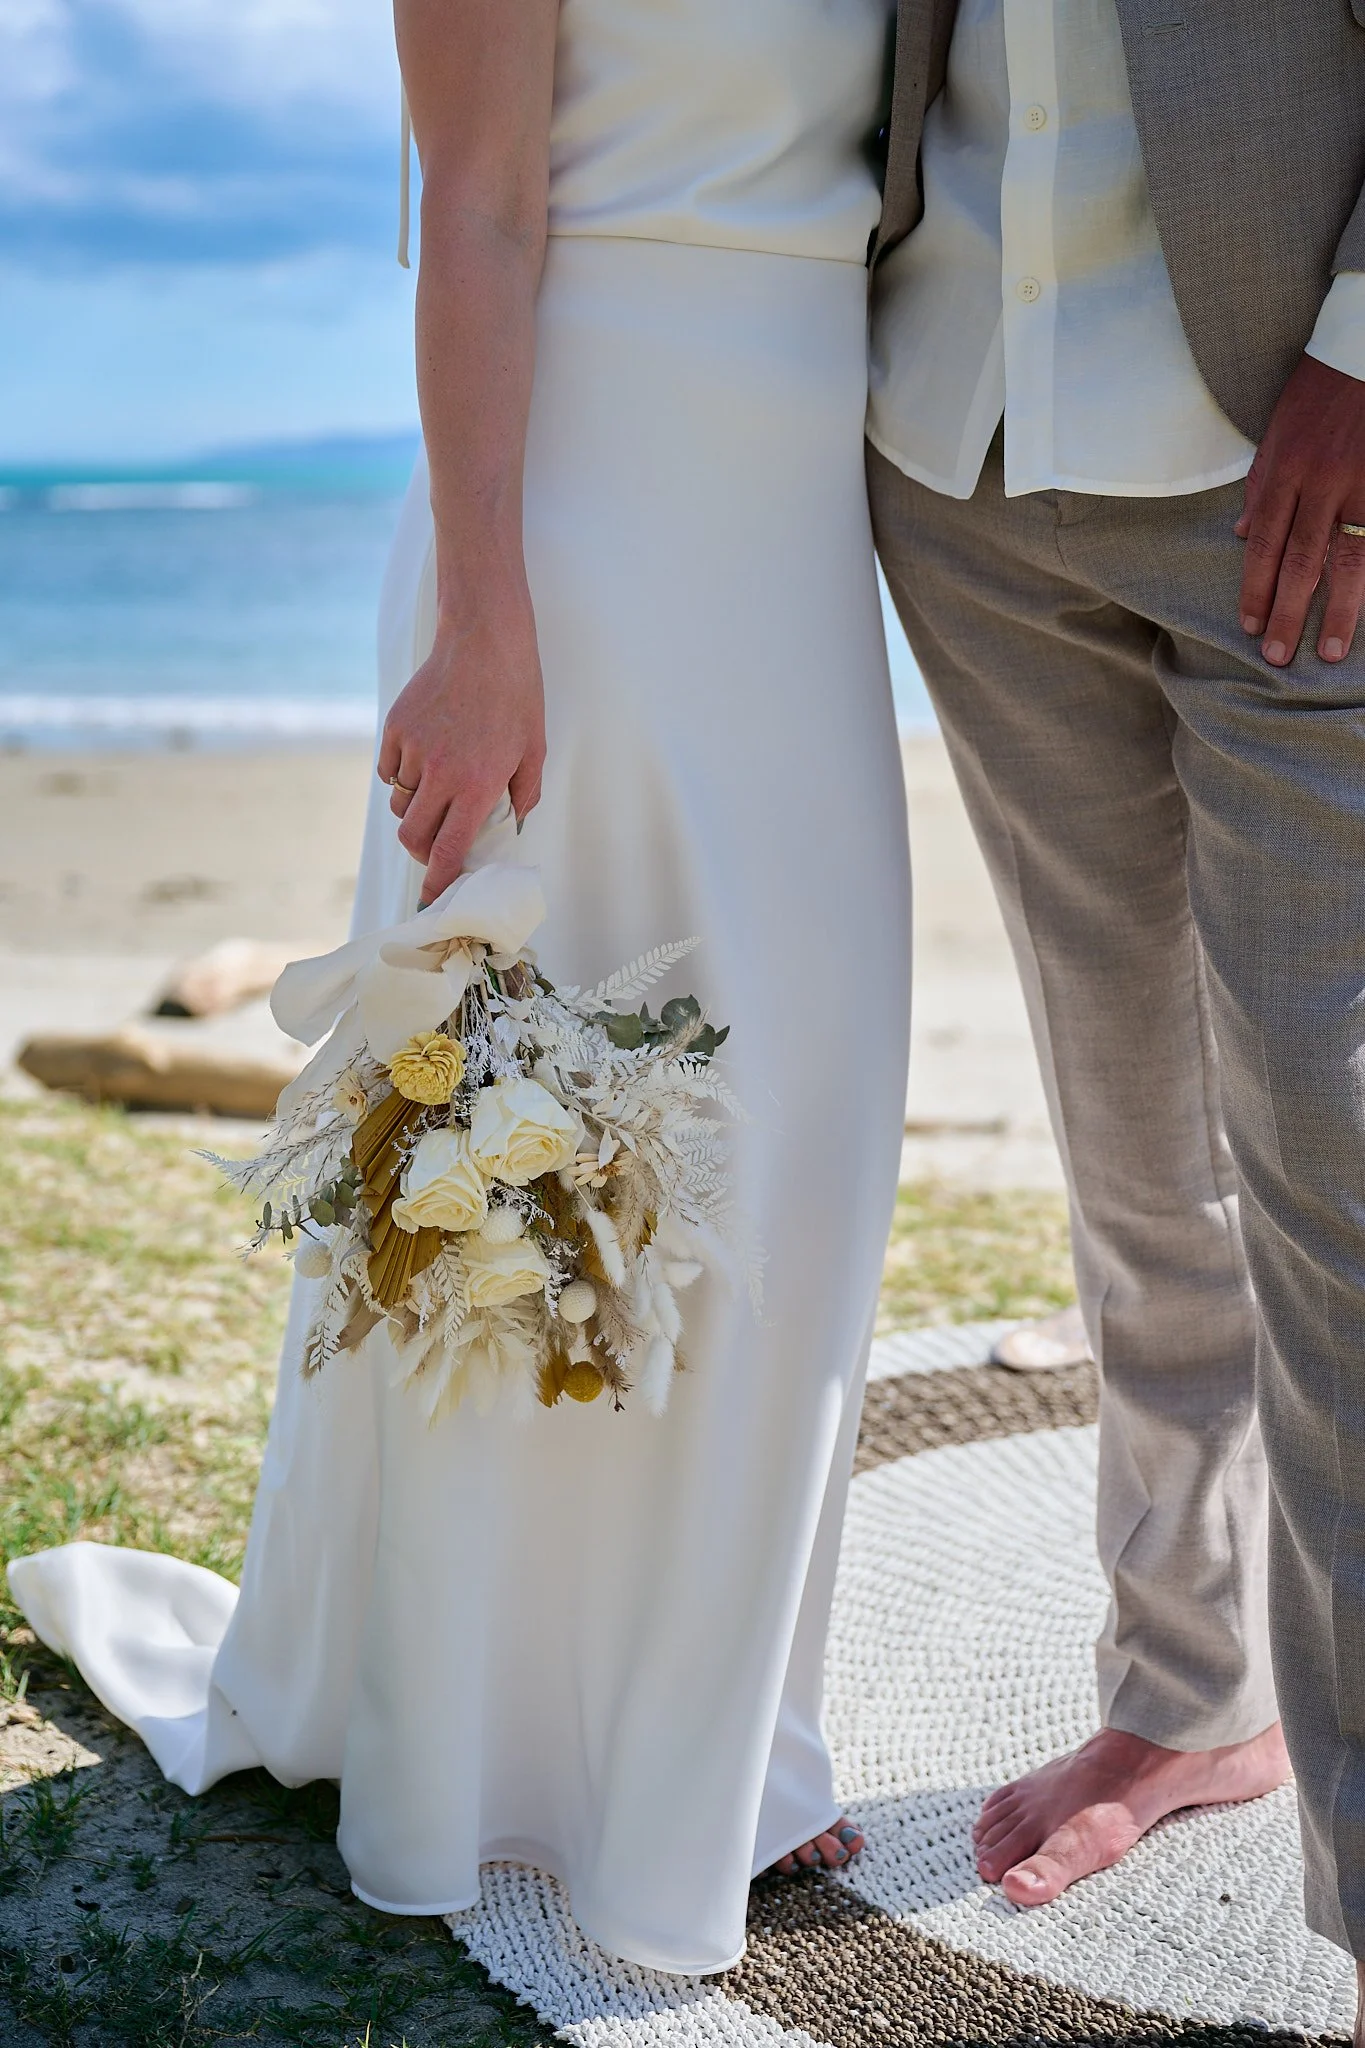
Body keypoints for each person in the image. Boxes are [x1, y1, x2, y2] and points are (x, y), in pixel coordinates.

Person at [8, 0, 911, 1975]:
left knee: (797, 1131)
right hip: (571, 519)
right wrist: (484, 614)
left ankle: (712, 1730)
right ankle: (487, 1746)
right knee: (517, 1146)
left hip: (785, 528)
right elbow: (480, 197)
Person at [867, 0, 1365, 2011]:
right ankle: (1190, 1688)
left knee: (1333, 1181)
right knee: (1128, 1132)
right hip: (960, 440)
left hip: (1299, 448)